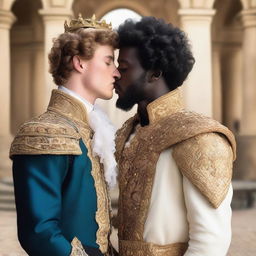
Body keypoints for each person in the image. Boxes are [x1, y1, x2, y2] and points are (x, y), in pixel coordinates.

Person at [114, 16, 236, 256]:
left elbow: (211, 241)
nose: (116, 75)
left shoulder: (199, 137)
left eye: (124, 68)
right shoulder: (129, 131)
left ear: (155, 73)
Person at [10, 14, 120, 256]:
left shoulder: (90, 131)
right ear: (80, 63)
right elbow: (40, 232)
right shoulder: (44, 132)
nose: (117, 73)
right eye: (109, 61)